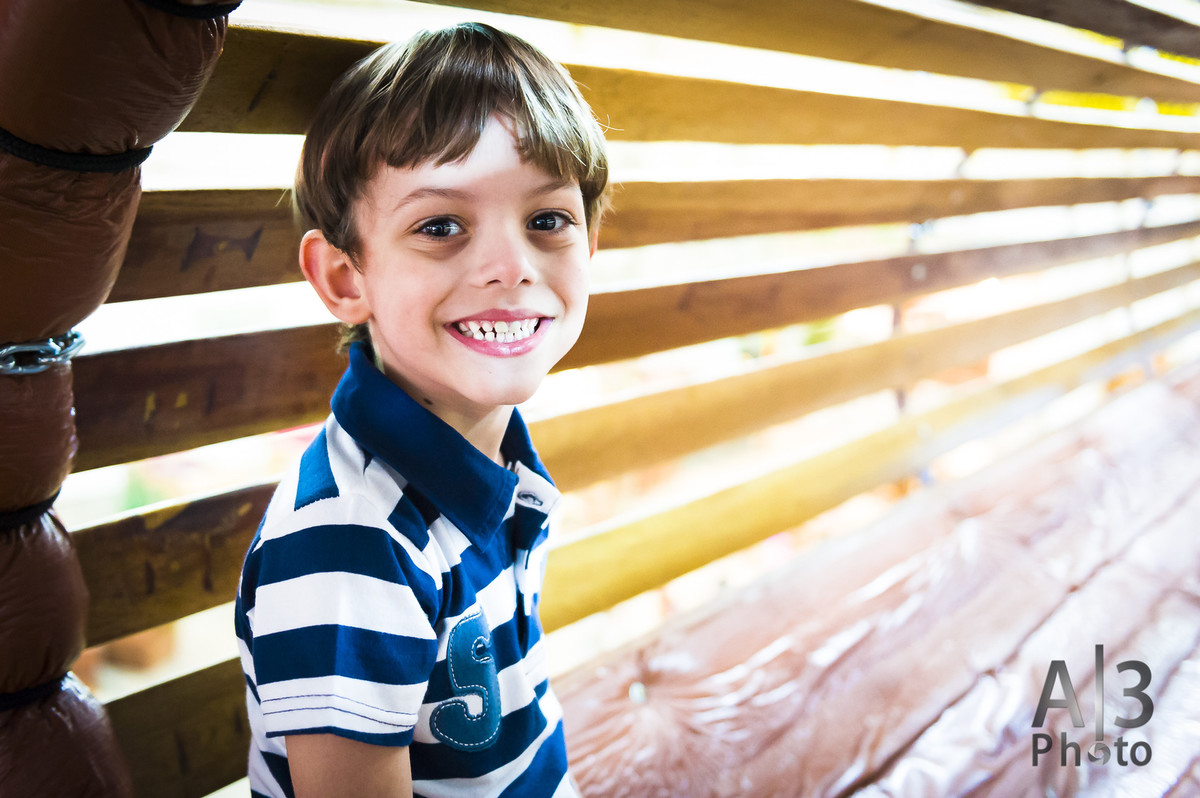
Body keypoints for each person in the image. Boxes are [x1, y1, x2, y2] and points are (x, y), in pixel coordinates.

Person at [234, 21, 608, 798]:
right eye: (441, 226)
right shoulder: (350, 542)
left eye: (547, 220)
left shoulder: (485, 459)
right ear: (344, 278)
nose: (510, 267)